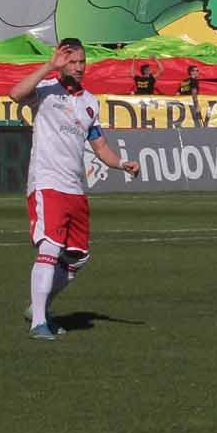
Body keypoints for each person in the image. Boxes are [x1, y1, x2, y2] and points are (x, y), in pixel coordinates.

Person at [9, 38, 138, 340]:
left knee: (78, 257)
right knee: (50, 248)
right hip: (47, 181)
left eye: (82, 62)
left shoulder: (90, 103)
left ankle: (38, 308)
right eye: (72, 62)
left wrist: (121, 164)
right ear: (61, 62)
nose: (79, 67)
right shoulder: (44, 91)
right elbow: (15, 94)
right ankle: (39, 323)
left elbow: (100, 146)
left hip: (75, 188)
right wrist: (47, 67)